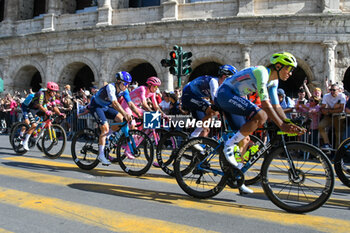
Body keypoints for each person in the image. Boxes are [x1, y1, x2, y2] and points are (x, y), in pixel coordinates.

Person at [214, 52, 304, 194]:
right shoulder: (262, 72)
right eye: (289, 69)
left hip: (235, 97)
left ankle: (237, 177)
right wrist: (281, 125)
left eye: (292, 70)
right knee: (261, 115)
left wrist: (288, 122)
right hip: (225, 94)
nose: (291, 73)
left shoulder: (274, 82)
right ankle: (229, 145)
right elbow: (266, 104)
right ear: (279, 66)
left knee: (245, 139)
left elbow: (276, 106)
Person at [89, 71, 141, 166]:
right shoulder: (111, 87)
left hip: (105, 107)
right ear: (118, 81)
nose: (127, 86)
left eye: (128, 84)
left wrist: (138, 114)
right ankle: (101, 155)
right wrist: (125, 113)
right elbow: (115, 103)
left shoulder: (124, 90)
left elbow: (130, 103)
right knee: (105, 128)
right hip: (95, 106)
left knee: (120, 119)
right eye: (125, 83)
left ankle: (107, 136)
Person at [181, 65, 238, 139]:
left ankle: (198, 141)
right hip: (188, 95)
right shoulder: (214, 82)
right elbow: (216, 101)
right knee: (212, 111)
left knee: (209, 120)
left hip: (195, 96)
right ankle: (193, 136)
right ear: (224, 76)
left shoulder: (220, 86)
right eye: (231, 79)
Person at [21, 82, 66, 151]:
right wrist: (47, 111)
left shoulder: (52, 97)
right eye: (53, 91)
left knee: (47, 118)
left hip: (38, 109)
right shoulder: (41, 94)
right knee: (33, 125)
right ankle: (25, 141)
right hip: (31, 108)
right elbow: (40, 105)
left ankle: (39, 131)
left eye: (56, 92)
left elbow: (54, 107)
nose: (54, 93)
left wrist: (60, 113)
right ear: (48, 90)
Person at [318, 83, 346, 150]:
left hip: (339, 116)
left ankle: (337, 152)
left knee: (338, 135)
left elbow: (341, 109)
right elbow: (322, 108)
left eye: (334, 90)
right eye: (331, 90)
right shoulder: (326, 96)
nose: (332, 92)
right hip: (329, 116)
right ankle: (327, 143)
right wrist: (333, 110)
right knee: (320, 126)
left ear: (338, 90)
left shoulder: (342, 96)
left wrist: (329, 110)